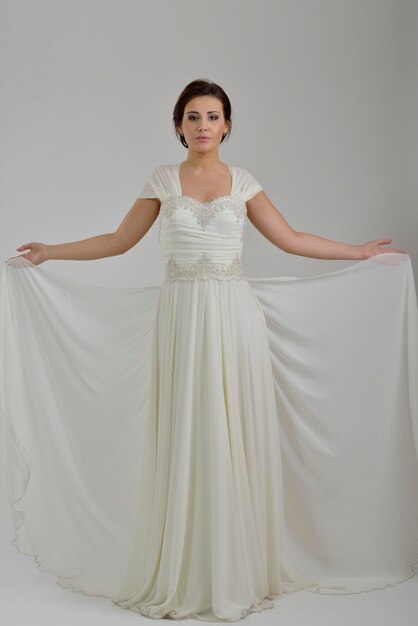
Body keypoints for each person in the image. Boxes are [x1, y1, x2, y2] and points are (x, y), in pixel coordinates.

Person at [1, 79, 417, 622]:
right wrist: (51, 251)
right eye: (192, 116)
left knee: (228, 430)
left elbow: (290, 239)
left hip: (232, 317)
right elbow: (118, 241)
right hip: (180, 318)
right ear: (178, 126)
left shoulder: (242, 182)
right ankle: (186, 568)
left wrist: (356, 251)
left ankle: (232, 568)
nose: (202, 126)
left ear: (226, 125)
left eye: (213, 116)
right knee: (187, 431)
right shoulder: (161, 181)